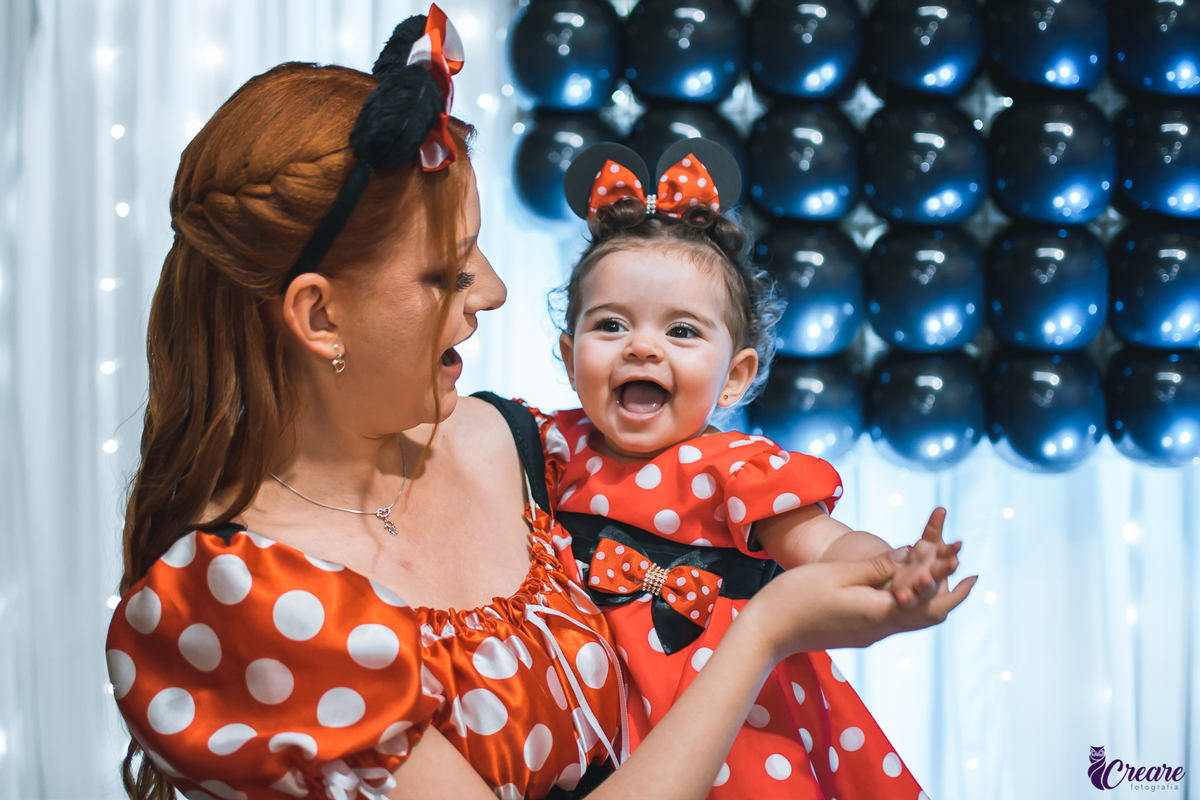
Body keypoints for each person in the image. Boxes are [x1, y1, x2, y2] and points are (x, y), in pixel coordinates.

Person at [105, 8, 975, 800]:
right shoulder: (242, 604)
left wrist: (872, 574)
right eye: (448, 270)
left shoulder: (523, 447)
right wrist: (764, 632)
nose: (494, 289)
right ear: (320, 315)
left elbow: (742, 507)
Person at [543, 139, 962, 798]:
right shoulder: (548, 450)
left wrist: (891, 565)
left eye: (682, 332)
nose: (643, 347)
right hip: (587, 721)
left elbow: (827, 546)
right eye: (611, 325)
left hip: (728, 731)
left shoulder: (736, 468)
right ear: (571, 357)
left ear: (734, 378)